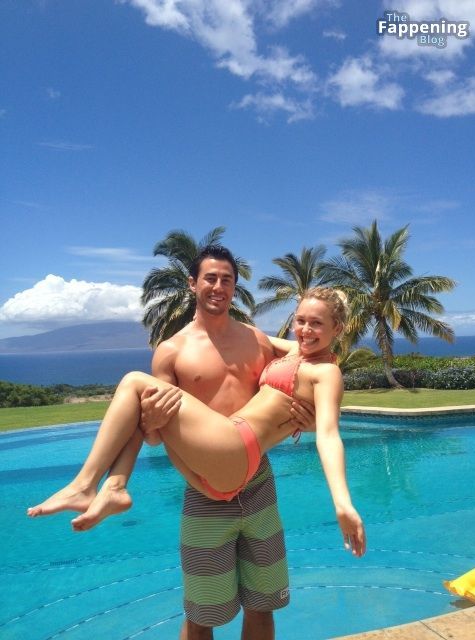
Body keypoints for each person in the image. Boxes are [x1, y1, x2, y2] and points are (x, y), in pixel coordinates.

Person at [28, 245, 317, 640]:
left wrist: (310, 420)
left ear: (235, 287)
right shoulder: (172, 351)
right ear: (192, 283)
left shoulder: (258, 341)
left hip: (258, 485)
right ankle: (100, 486)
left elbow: (312, 357)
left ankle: (100, 485)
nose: (218, 286)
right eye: (210, 278)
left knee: (262, 608)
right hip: (204, 493)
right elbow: (153, 434)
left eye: (227, 280)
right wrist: (162, 436)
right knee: (201, 616)